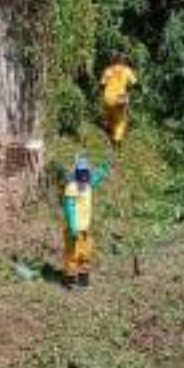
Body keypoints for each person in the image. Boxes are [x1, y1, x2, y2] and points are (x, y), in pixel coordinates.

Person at [60, 152, 109, 284]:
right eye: (81, 173)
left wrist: (104, 169)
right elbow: (69, 208)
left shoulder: (88, 185)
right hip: (73, 229)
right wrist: (72, 227)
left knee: (85, 253)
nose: (83, 176)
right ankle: (69, 279)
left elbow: (96, 178)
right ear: (76, 173)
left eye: (85, 173)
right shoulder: (71, 187)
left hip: (85, 228)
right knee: (72, 254)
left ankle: (83, 278)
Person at [99, 56, 138, 147]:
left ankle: (109, 130)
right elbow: (135, 83)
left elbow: (102, 84)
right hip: (120, 98)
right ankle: (116, 141)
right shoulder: (127, 70)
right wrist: (130, 89)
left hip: (108, 98)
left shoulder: (108, 70)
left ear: (113, 61)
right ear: (123, 62)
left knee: (110, 115)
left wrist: (102, 94)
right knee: (121, 119)